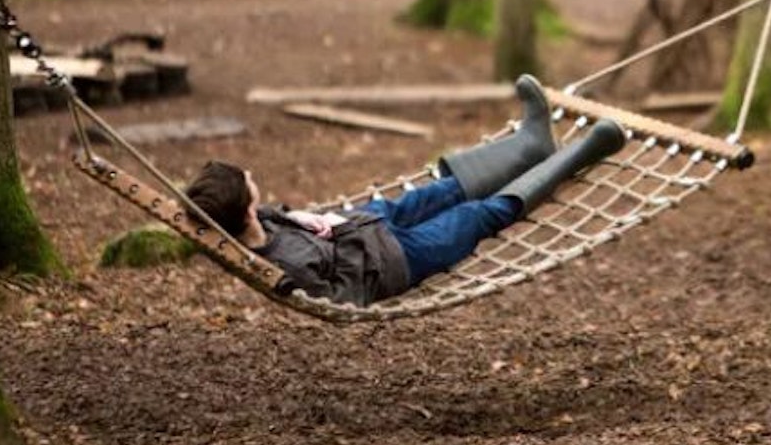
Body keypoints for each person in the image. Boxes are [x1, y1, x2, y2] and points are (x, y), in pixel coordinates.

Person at [186, 76, 626, 306]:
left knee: (449, 188)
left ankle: (531, 142)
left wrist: (301, 217)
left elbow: (274, 218)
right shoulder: (285, 271)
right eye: (246, 179)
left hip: (372, 221)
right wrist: (343, 249)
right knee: (475, 216)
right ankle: (576, 157)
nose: (249, 172)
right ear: (245, 209)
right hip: (396, 258)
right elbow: (343, 299)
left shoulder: (256, 225)